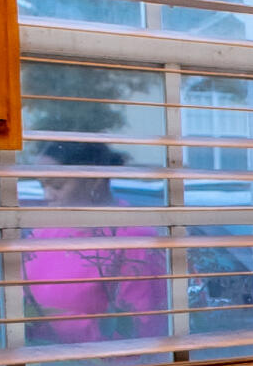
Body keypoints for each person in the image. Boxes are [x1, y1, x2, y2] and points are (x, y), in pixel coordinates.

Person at [23, 139, 166, 351]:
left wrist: (47, 324)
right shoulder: (43, 234)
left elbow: (139, 329)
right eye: (42, 185)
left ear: (93, 181)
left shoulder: (134, 241)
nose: (47, 196)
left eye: (57, 186)